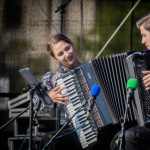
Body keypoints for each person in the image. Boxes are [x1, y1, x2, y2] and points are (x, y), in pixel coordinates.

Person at [110, 13, 150, 150]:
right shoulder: (145, 57)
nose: (142, 41)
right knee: (118, 138)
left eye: (144, 35)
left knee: (130, 136)